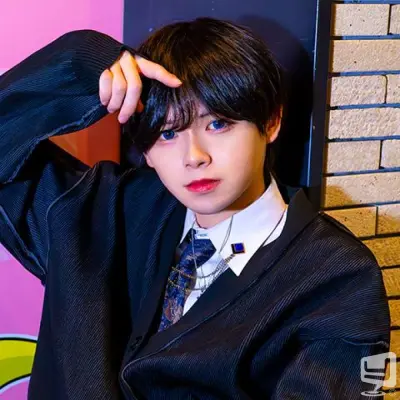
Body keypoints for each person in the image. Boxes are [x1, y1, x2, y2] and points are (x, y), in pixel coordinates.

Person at [0, 17, 390, 400]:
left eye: (218, 124)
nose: (194, 156)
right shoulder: (105, 210)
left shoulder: (337, 277)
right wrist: (75, 64)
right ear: (146, 150)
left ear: (271, 122)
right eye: (168, 133)